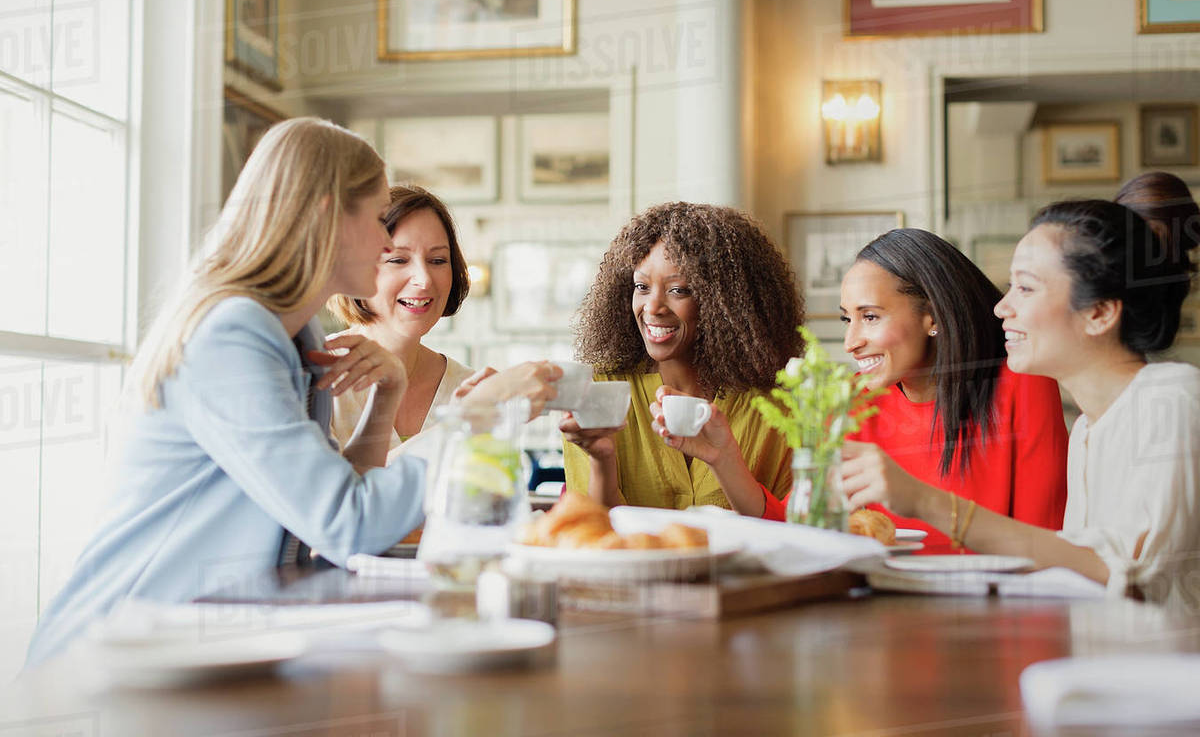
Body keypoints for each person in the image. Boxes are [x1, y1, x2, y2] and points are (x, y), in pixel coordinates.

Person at [26, 118, 560, 665]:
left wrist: (384, 403)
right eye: (379, 222)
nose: (384, 244)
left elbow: (331, 510)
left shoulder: (294, 333)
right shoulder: (233, 334)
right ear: (328, 215)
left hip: (201, 651)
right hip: (119, 659)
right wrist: (475, 416)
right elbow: (346, 523)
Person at [840, 200, 1200, 608]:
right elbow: (1069, 571)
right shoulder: (1089, 430)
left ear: (1099, 313)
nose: (1001, 306)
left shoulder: (1171, 399)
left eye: (1025, 288)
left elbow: (1131, 582)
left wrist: (924, 502)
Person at [658, 228, 1069, 548]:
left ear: (934, 317)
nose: (852, 341)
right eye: (846, 319)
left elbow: (1043, 542)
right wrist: (724, 457)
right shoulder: (852, 401)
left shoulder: (1023, 385)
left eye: (870, 317)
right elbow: (804, 532)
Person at [560, 201, 803, 509]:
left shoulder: (775, 404)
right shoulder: (597, 390)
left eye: (679, 290)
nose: (652, 307)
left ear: (727, 304)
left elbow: (791, 530)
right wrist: (601, 458)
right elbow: (591, 530)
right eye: (642, 286)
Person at [326, 185, 476, 465]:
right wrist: (467, 419)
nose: (424, 279)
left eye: (437, 260)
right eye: (397, 259)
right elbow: (338, 496)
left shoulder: (468, 386)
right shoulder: (319, 377)